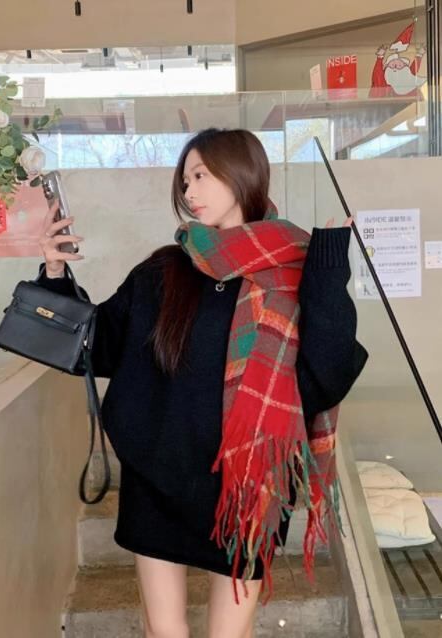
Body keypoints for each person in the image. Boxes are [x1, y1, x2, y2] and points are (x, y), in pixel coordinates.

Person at [38, 128, 368, 638]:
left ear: (243, 173)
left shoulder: (294, 272)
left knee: (229, 633)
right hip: (158, 476)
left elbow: (326, 375)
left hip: (246, 487)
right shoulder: (164, 270)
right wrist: (55, 271)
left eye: (201, 175)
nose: (189, 191)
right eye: (185, 179)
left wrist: (327, 269)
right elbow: (98, 344)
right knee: (163, 630)